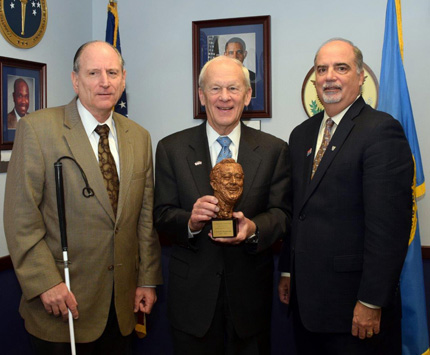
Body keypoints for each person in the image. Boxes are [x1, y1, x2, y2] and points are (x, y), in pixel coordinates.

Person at [4, 40, 162, 355]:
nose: (105, 81)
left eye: (112, 72)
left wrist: (147, 279)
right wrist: (45, 283)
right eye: (93, 73)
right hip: (62, 306)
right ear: (76, 80)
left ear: (123, 79)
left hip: (121, 307)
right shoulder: (38, 130)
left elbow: (145, 218)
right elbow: (21, 217)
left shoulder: (140, 137)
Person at [278, 38, 413, 355]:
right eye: (321, 69)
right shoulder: (301, 135)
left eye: (341, 67)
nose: (329, 76)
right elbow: (296, 209)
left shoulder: (381, 131)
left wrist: (371, 300)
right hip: (306, 305)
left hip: (354, 309)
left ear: (361, 75)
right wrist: (287, 270)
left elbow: (389, 228)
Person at [154, 55, 292, 354]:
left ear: (248, 95)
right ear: (202, 96)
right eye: (215, 89)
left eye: (233, 88)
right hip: (191, 300)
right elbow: (161, 214)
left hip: (249, 299)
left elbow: (282, 214)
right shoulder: (171, 148)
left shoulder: (274, 150)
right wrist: (189, 222)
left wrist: (254, 228)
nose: (225, 97)